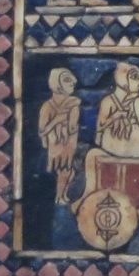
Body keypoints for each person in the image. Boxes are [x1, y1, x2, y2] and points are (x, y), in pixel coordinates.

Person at [95, 61, 139, 159]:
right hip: (113, 142)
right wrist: (115, 116)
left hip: (137, 142)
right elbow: (100, 127)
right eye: (134, 77)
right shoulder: (108, 101)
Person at [39, 68, 83, 205]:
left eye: (71, 80)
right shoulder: (48, 106)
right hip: (57, 143)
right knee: (64, 171)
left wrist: (69, 119)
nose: (72, 83)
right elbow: (42, 130)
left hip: (69, 142)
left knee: (70, 172)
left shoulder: (73, 103)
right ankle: (59, 197)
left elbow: (72, 127)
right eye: (67, 80)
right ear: (57, 83)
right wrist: (58, 120)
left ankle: (62, 195)